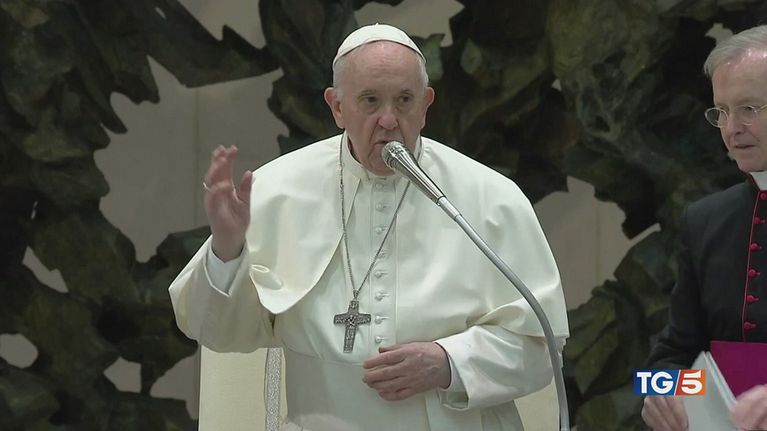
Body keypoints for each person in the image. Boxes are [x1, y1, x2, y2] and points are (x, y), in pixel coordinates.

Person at [169, 23, 569, 431]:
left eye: (404, 100)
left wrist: (450, 363)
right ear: (337, 106)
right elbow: (213, 330)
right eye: (370, 100)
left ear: (426, 105)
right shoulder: (276, 190)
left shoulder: (490, 198)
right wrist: (227, 250)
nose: (388, 120)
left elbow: (542, 348)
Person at [642, 25, 767, 431]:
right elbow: (675, 356)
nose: (731, 129)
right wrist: (658, 391)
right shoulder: (705, 220)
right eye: (722, 112)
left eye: (748, 109)